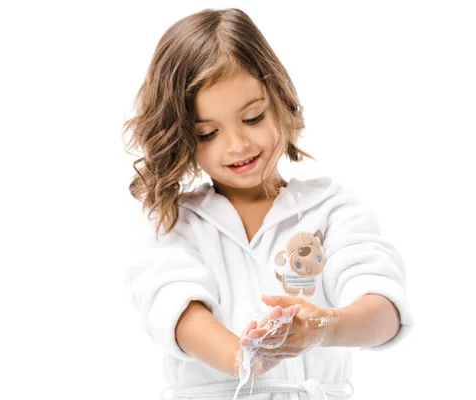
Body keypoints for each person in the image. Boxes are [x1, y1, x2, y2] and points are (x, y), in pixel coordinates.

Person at [122, 7, 413, 400]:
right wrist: (244, 356)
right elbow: (173, 306)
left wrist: (323, 327)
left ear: (280, 100)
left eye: (253, 117)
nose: (237, 145)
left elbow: (383, 307)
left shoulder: (330, 208)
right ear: (181, 137)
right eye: (208, 133)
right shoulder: (175, 222)